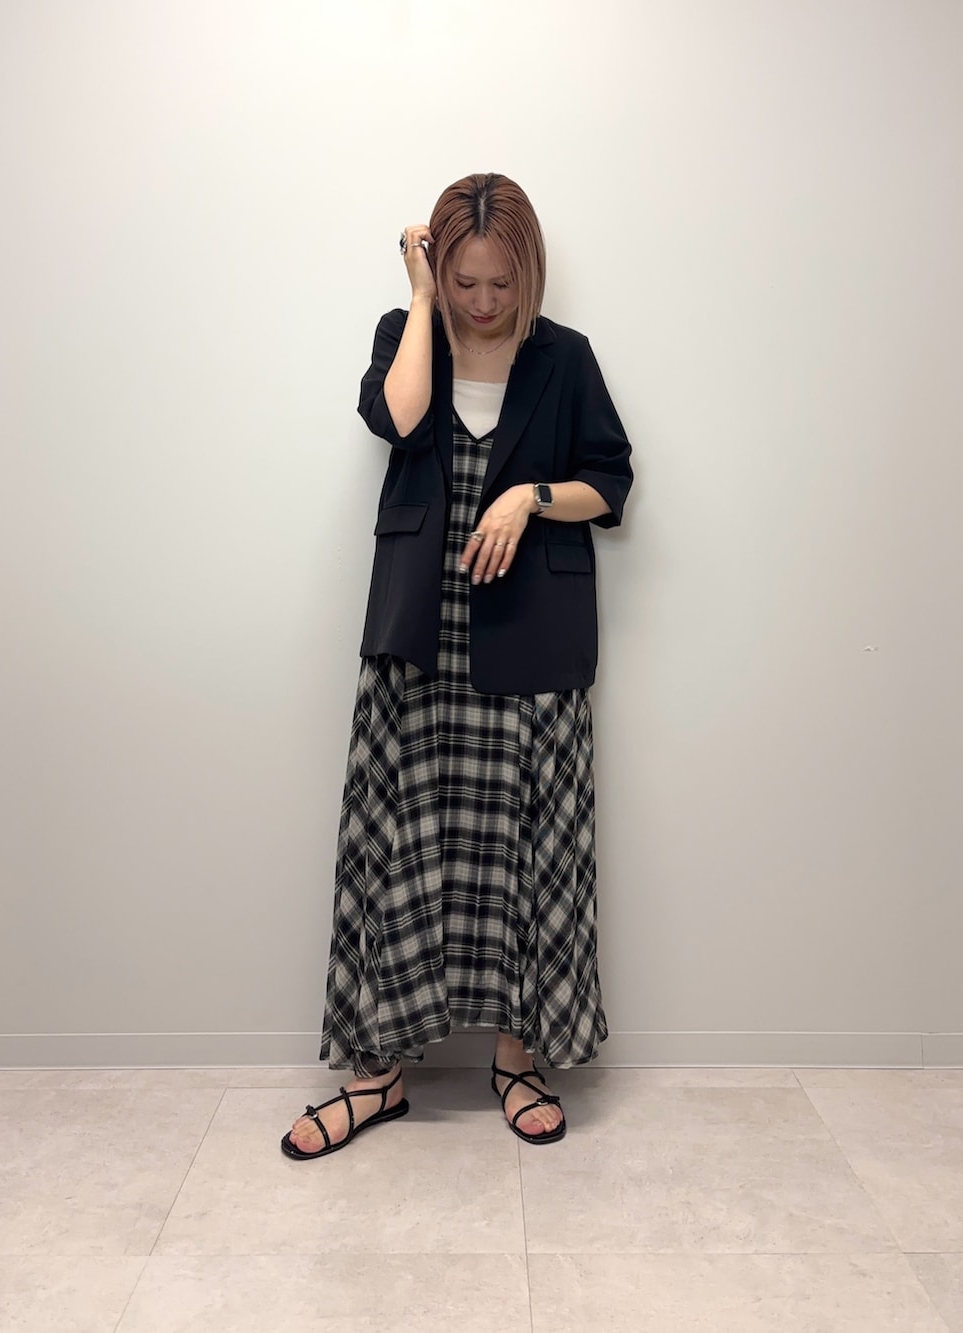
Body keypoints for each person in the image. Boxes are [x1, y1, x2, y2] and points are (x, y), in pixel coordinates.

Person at [282, 173, 632, 1161]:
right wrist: (420, 297)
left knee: (529, 853)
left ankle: (518, 1059)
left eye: (500, 284)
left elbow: (610, 481)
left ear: (529, 272)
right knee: (397, 848)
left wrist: (529, 497)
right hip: (417, 633)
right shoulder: (408, 335)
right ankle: (377, 1073)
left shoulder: (564, 358)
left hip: (534, 635)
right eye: (466, 281)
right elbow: (396, 421)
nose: (484, 301)